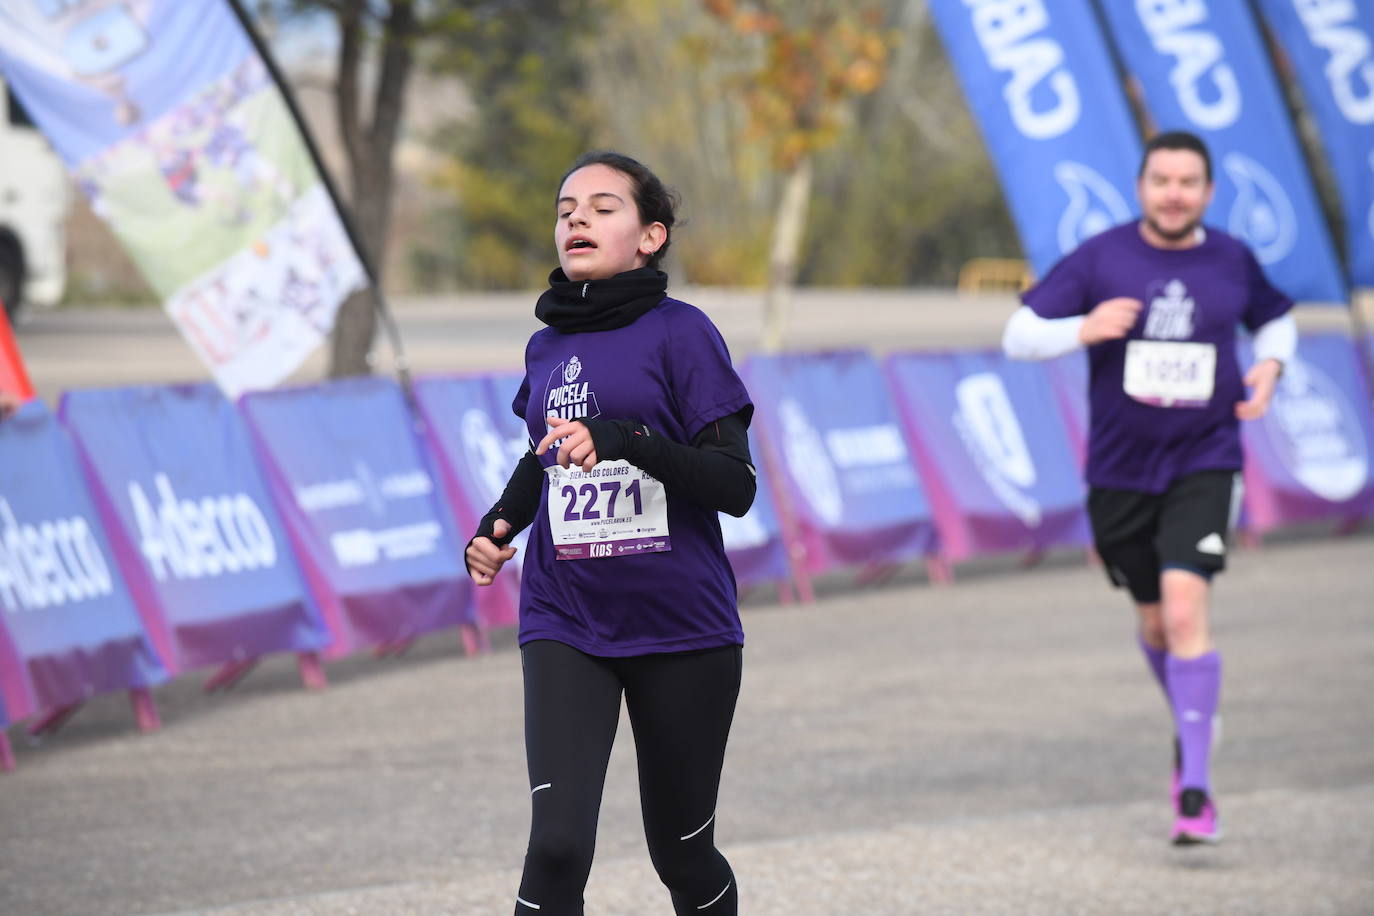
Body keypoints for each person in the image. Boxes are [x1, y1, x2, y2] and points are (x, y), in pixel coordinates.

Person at [465, 151, 756, 914]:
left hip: (681, 627)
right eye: (565, 210)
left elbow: (735, 486)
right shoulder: (547, 344)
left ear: (651, 235)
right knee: (557, 846)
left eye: (601, 207)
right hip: (568, 620)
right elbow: (546, 453)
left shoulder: (682, 334)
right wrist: (500, 525)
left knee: (684, 855)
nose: (576, 220)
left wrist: (626, 436)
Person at [1002, 130, 1295, 846]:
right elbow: (1018, 334)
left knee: (1187, 608)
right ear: (1142, 187)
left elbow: (1277, 318)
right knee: (1158, 624)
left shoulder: (1231, 258)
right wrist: (1083, 328)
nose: (1174, 192)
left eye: (1188, 182)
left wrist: (1270, 368)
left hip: (1206, 456)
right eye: (1161, 180)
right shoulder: (1103, 257)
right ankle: (1193, 720)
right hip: (1119, 472)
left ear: (1207, 191)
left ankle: (1194, 788)